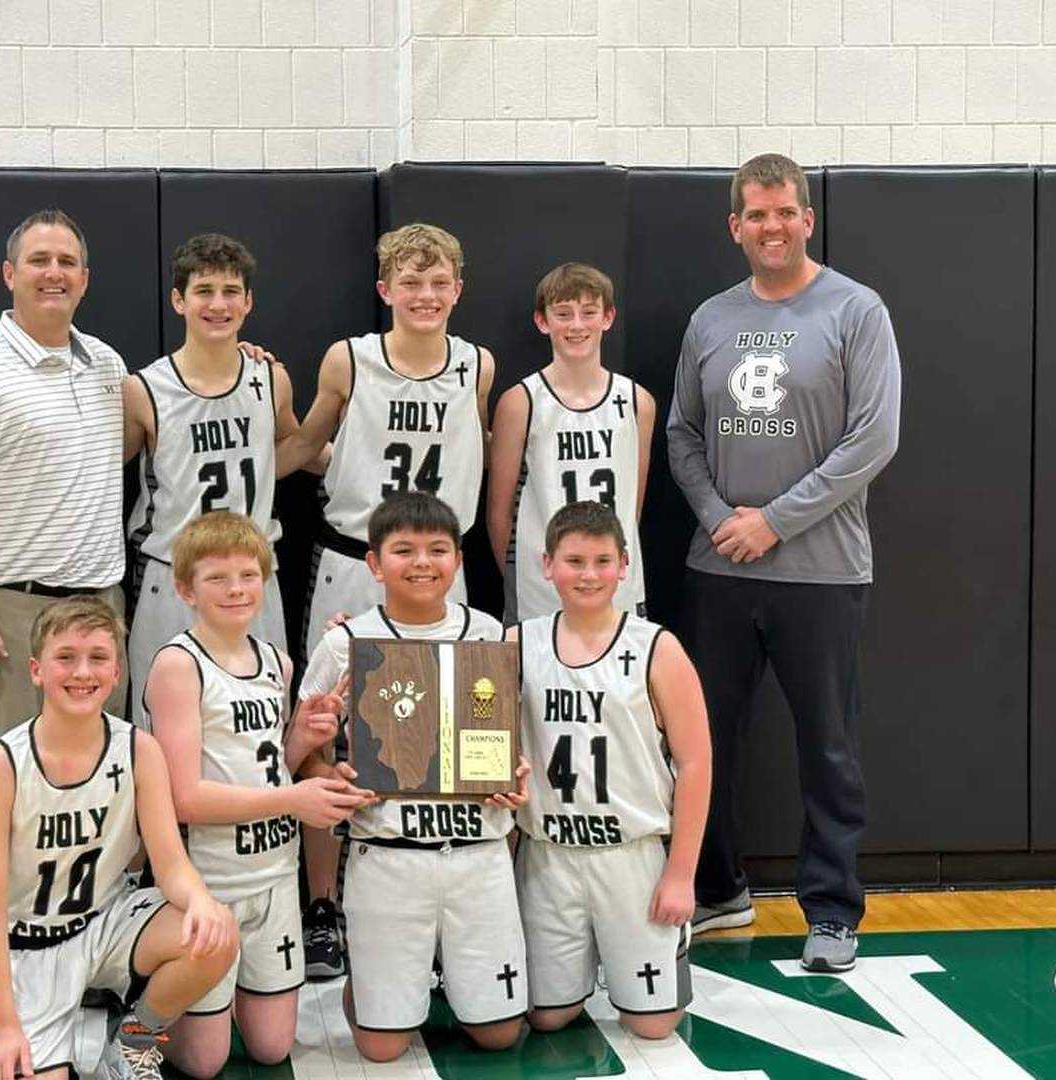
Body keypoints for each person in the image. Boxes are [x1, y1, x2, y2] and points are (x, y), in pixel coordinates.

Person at [666, 153, 901, 972]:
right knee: (705, 741)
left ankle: (833, 910)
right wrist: (718, 518)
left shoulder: (855, 310)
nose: (771, 227)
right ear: (736, 226)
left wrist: (774, 521)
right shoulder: (710, 318)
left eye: (784, 212)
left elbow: (873, 439)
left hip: (822, 573)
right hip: (719, 569)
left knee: (827, 746)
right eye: (755, 215)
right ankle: (719, 889)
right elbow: (682, 436)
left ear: (807, 218)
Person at [0, 209, 132, 1013]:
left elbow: (144, 433)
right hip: (7, 612)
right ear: (9, 274)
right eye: (38, 260)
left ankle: (90, 956)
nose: (53, 273)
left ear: (84, 277)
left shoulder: (105, 366)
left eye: (67, 261)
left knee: (99, 790)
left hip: (100, 608)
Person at [276, 223, 494, 978]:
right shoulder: (350, 359)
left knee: (442, 738)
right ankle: (325, 904)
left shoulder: (477, 366)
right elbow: (306, 446)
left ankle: (436, 900)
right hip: (351, 563)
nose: (425, 296)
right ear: (385, 290)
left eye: (438, 283)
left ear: (457, 290)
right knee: (333, 736)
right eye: (410, 282)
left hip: (441, 566)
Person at [289, 492, 529, 1063]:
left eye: (437, 550)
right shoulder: (344, 643)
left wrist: (516, 776)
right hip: (387, 853)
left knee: (499, 1036)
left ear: (459, 560)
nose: (422, 562)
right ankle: (377, 986)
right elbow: (302, 753)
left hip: (477, 853)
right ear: (374, 564)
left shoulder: (490, 634)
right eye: (404, 550)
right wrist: (332, 775)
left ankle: (443, 974)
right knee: (380, 1048)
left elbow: (512, 744)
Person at [0, 596, 238, 1080]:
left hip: (109, 922)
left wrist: (198, 900)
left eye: (97, 658)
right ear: (35, 669)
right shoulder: (0, 767)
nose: (82, 672)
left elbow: (170, 863)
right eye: (65, 657)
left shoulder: (138, 749)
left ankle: (132, 1043)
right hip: (28, 946)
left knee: (214, 935)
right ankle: (8, 1027)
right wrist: (7, 1026)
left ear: (116, 673)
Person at [142, 512, 372, 1077]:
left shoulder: (276, 662)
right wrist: (295, 801)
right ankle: (136, 1021)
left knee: (272, 1047)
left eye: (248, 575)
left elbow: (271, 767)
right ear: (184, 587)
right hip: (209, 883)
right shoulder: (179, 665)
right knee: (205, 1061)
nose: (236, 589)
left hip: (272, 876)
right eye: (217, 578)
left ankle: (224, 1000)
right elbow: (184, 798)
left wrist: (304, 738)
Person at [508, 501, 710, 1039]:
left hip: (632, 855)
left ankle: (627, 960)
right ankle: (579, 971)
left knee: (654, 1025)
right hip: (547, 856)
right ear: (547, 565)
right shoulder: (516, 643)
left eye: (602, 561)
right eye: (575, 561)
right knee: (546, 1018)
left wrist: (681, 875)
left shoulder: (658, 648)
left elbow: (695, 764)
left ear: (624, 565)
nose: (589, 574)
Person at [123, 234, 297, 729]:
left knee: (261, 718)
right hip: (171, 575)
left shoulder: (272, 380)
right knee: (162, 723)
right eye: (203, 291)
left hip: (253, 571)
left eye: (229, 291)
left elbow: (292, 451)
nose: (217, 304)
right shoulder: (143, 389)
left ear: (248, 301)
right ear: (179, 300)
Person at [487, 262, 653, 621]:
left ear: (608, 318)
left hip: (616, 587)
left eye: (588, 313)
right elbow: (498, 514)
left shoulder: (638, 401)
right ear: (542, 321)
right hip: (540, 589)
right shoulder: (520, 402)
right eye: (563, 314)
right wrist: (527, 578)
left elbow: (631, 506)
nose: (577, 325)